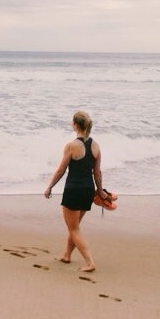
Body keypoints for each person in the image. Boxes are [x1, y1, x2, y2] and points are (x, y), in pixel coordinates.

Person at [43, 111, 110, 272]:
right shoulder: (96, 146)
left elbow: (61, 171)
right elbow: (97, 173)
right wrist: (100, 192)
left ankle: (89, 262)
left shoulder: (71, 146)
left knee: (74, 229)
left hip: (73, 190)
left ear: (76, 125)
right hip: (87, 190)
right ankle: (66, 255)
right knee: (75, 227)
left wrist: (49, 186)